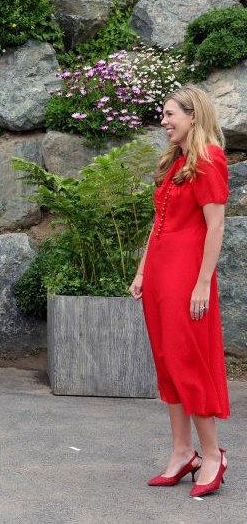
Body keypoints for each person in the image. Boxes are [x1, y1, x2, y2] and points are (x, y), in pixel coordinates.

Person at [130, 86, 230, 497]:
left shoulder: (209, 160)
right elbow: (160, 223)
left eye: (171, 114)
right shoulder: (177, 162)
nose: (164, 121)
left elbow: (216, 227)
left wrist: (202, 282)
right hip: (159, 277)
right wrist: (141, 271)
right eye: (164, 114)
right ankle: (181, 452)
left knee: (189, 362)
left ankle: (212, 454)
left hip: (188, 279)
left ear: (193, 116)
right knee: (168, 362)